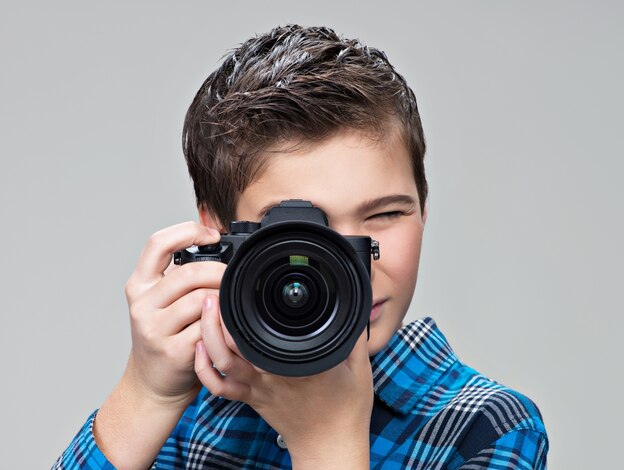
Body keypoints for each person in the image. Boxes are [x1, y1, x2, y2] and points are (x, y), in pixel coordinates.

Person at [53, 25, 548, 469]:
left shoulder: (485, 428)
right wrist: (145, 395)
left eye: (385, 215)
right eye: (302, 229)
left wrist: (328, 441)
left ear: (423, 206)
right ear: (218, 233)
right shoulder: (195, 403)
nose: (350, 261)